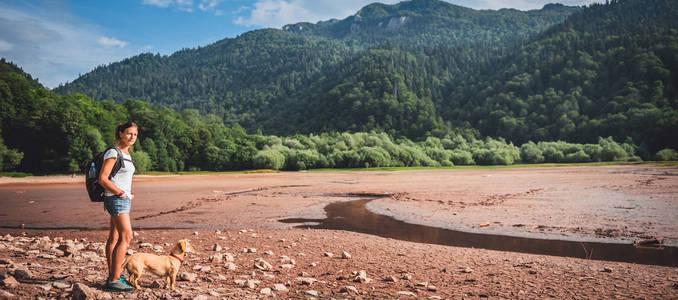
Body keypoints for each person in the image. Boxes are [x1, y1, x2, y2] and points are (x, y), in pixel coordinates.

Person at [100, 122, 138, 292]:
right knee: (127, 236)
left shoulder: (126, 153)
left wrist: (128, 193)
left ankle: (112, 275)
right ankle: (115, 280)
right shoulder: (113, 152)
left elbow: (121, 178)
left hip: (122, 198)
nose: (132, 137)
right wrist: (121, 193)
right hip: (116, 199)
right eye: (129, 133)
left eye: (135, 135)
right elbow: (103, 178)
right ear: (121, 133)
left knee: (114, 238)